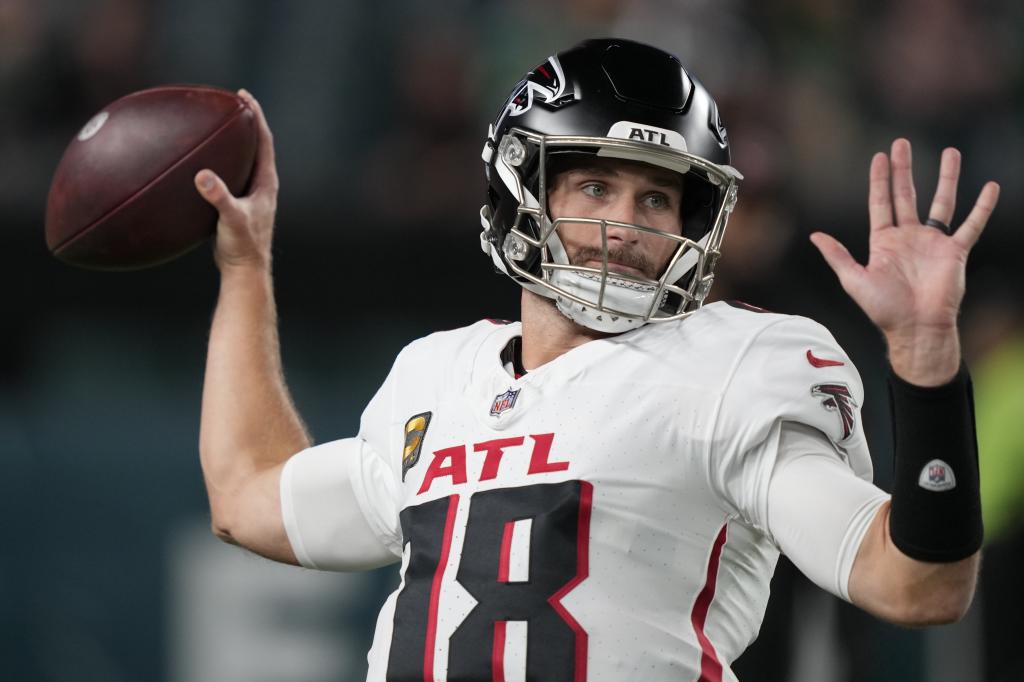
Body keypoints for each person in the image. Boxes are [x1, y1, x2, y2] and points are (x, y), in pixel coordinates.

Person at [192, 38, 999, 681]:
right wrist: (244, 265)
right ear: (524, 194)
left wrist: (925, 363)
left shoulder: (733, 367)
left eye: (655, 198)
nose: (627, 227)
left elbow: (917, 583)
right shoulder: (437, 378)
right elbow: (245, 496)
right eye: (595, 189)